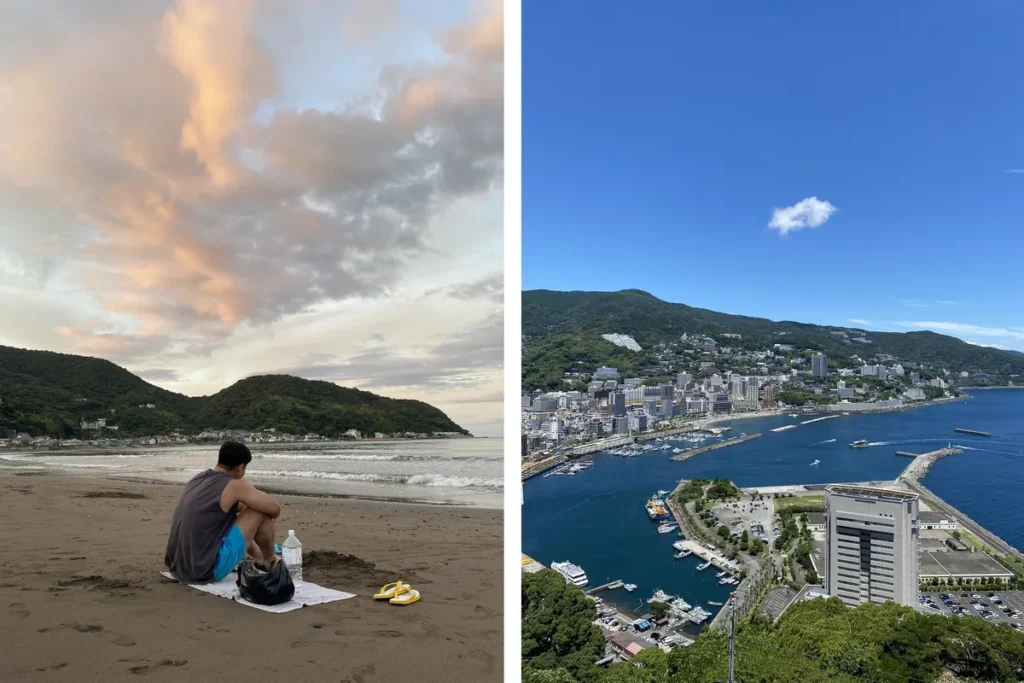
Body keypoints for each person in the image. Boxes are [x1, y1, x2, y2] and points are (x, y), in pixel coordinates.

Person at [164, 440, 282, 583]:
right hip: (205, 570)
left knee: (233, 513)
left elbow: (225, 506)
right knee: (260, 511)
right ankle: (270, 559)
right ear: (240, 468)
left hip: (179, 566)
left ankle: (258, 558)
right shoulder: (233, 485)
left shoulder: (198, 479)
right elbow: (274, 508)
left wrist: (244, 508)